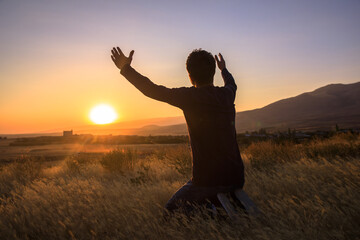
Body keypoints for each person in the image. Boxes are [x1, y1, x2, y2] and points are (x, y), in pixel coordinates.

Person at [111, 47, 244, 214]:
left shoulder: (189, 97)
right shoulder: (227, 94)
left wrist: (126, 69)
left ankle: (213, 214)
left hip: (207, 181)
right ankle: (217, 207)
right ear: (213, 73)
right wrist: (224, 69)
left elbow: (151, 89)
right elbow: (232, 84)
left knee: (170, 212)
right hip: (237, 178)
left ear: (190, 76)